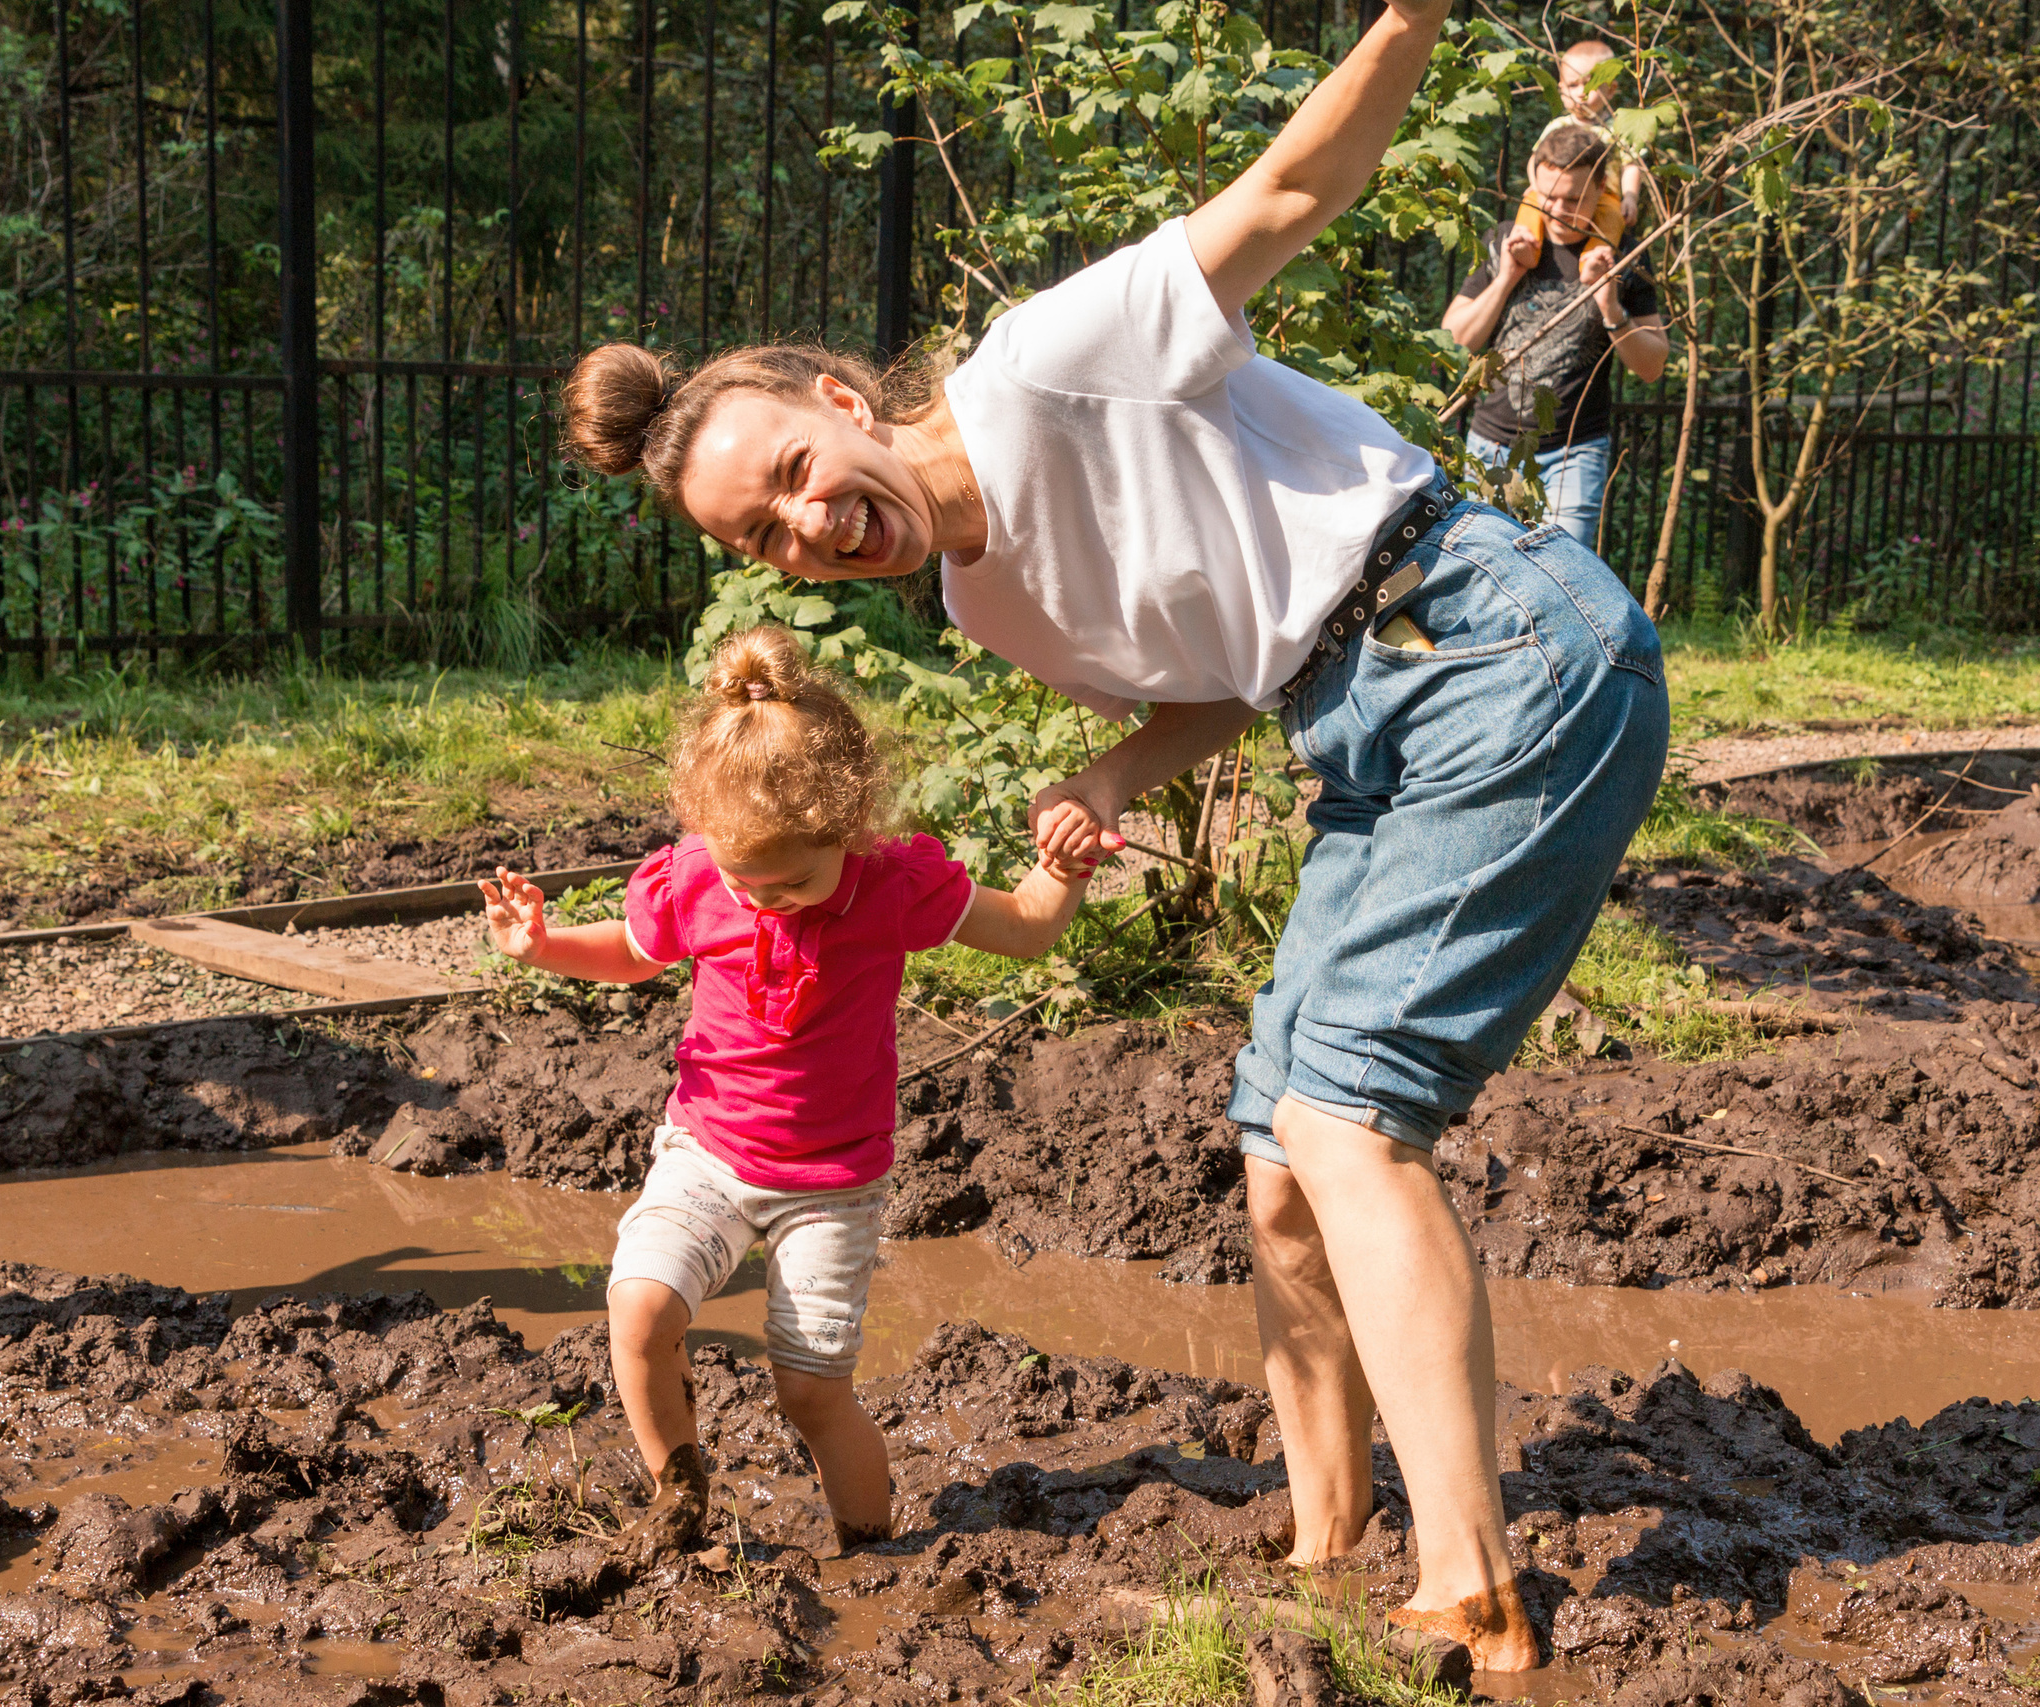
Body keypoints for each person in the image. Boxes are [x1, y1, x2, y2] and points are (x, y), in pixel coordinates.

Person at [554, 0, 1667, 1669]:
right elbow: (1234, 675)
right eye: (763, 536)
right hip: (1355, 710)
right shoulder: (986, 599)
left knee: (1352, 1119)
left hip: (1486, 639)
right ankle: (1324, 1536)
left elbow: (1300, 187)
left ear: (844, 398)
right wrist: (1124, 775)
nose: (806, 523)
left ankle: (1472, 1587)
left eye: (794, 466)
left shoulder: (1044, 363)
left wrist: (1416, 19)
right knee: (1280, 1152)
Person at [478, 625, 1094, 1553]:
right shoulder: (694, 876)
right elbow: (633, 953)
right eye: (744, 880)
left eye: (793, 881)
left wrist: (1060, 870)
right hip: (709, 1152)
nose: (763, 900)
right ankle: (678, 1500)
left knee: (809, 1391)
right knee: (639, 1307)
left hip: (833, 1183)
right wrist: (545, 943)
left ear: (850, 832)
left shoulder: (893, 882)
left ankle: (875, 1550)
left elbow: (1023, 930)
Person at [1443, 124, 1671, 552]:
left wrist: (1610, 306)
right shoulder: (1510, 239)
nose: (1559, 210)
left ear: (1602, 188)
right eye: (1548, 196)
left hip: (1574, 453)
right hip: (1489, 446)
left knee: (1565, 583)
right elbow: (1454, 338)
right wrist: (1508, 277)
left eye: (1574, 199)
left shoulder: (1624, 255)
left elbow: (1652, 366)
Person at [1511, 39, 1648, 251]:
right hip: (1556, 196)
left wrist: (1630, 196)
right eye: (1573, 85)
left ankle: (1596, 259)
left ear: (1611, 90)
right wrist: (1538, 187)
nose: (1581, 92)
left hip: (1604, 196)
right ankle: (1525, 246)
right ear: (1562, 90)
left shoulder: (1620, 128)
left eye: (1591, 84)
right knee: (1530, 204)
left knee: (1612, 218)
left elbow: (1631, 165)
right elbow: (1535, 159)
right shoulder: (1557, 126)